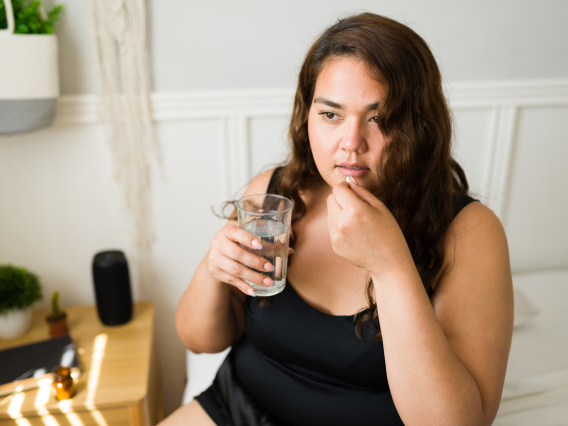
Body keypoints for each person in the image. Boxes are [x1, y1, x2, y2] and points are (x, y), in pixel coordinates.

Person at [160, 12, 513, 426]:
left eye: (380, 117)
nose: (351, 143)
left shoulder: (469, 232)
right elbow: (200, 340)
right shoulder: (275, 197)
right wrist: (213, 267)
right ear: (307, 115)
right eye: (331, 115)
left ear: (421, 126)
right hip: (236, 408)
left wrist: (391, 265)